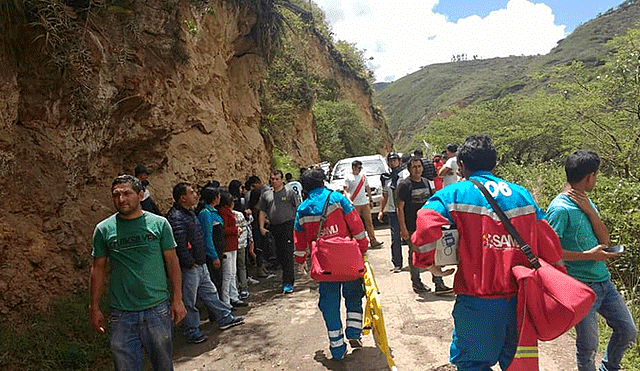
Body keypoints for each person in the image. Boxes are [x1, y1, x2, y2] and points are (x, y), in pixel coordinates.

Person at [412, 135, 564, 370]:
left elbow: (425, 220)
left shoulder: (453, 194)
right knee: (519, 365)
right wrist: (556, 278)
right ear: (494, 163)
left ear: (460, 165)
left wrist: (427, 262)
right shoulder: (522, 195)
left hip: (477, 303)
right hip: (520, 303)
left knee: (473, 364)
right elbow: (549, 241)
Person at [546, 150, 637, 371]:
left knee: (627, 330)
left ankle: (609, 367)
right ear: (589, 177)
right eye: (596, 175)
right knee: (588, 346)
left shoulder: (586, 201)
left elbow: (604, 239)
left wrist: (591, 212)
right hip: (580, 287)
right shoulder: (560, 209)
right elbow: (550, 253)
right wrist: (589, 256)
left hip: (603, 281)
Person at [90, 175, 186, 371]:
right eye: (116, 195)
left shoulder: (159, 224)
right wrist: (95, 307)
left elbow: (173, 262)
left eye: (127, 193)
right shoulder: (103, 229)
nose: (121, 199)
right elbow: (97, 268)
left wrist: (177, 299)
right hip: (121, 314)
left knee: (163, 366)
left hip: (156, 309)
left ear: (141, 195)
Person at [293, 168, 369, 360]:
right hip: (348, 259)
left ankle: (337, 348)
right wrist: (362, 246)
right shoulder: (338, 199)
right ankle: (353, 332)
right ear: (322, 182)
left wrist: (300, 260)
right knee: (353, 294)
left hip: (325, 265)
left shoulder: (303, 209)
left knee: (329, 303)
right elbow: (356, 224)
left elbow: (299, 240)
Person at [166, 183, 244, 344]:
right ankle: (191, 330)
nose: (195, 194)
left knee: (210, 293)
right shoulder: (177, 217)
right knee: (189, 301)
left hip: (199, 264)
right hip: (190, 267)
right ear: (183, 198)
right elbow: (180, 244)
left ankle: (224, 317)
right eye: (191, 192)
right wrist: (190, 262)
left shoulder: (189, 214)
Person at [396, 156, 452, 295]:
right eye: (414, 167)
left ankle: (439, 283)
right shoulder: (404, 185)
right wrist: (403, 229)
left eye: (419, 166)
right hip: (411, 226)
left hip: (427, 226)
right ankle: (417, 283)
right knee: (415, 254)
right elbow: (400, 208)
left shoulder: (426, 182)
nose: (417, 169)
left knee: (434, 253)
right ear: (409, 169)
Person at [259, 170, 300, 293]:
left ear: (282, 180)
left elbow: (298, 208)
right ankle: (285, 278)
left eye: (277, 179)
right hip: (274, 227)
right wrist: (261, 226)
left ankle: (288, 282)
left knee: (287, 254)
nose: (274, 181)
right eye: (272, 179)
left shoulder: (289, 192)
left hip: (287, 226)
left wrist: (298, 226)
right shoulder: (266, 195)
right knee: (279, 254)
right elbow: (262, 211)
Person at [216, 191, 248, 307]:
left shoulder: (226, 212)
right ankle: (226, 300)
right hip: (227, 247)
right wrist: (236, 230)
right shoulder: (224, 212)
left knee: (232, 273)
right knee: (228, 275)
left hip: (232, 245)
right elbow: (224, 230)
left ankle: (233, 296)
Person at [344, 160, 383, 248]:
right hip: (354, 204)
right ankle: (355, 242)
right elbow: (345, 190)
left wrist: (371, 200)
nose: (360, 169)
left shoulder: (363, 177)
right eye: (358, 168)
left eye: (361, 168)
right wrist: (349, 200)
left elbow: (367, 188)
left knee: (369, 222)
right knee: (355, 224)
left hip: (364, 203)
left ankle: (373, 240)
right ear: (353, 167)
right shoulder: (348, 177)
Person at [378, 152, 404, 273]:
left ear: (399, 161)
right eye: (391, 160)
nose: (393, 162)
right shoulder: (386, 178)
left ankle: (417, 262)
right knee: (395, 238)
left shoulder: (405, 174)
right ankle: (397, 263)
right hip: (393, 211)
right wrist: (381, 210)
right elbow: (385, 194)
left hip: (405, 210)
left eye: (395, 160)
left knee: (410, 237)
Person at [196, 187, 224, 292]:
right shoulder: (206, 213)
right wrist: (214, 256)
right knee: (215, 281)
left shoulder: (213, 212)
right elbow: (207, 236)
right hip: (212, 254)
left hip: (218, 250)